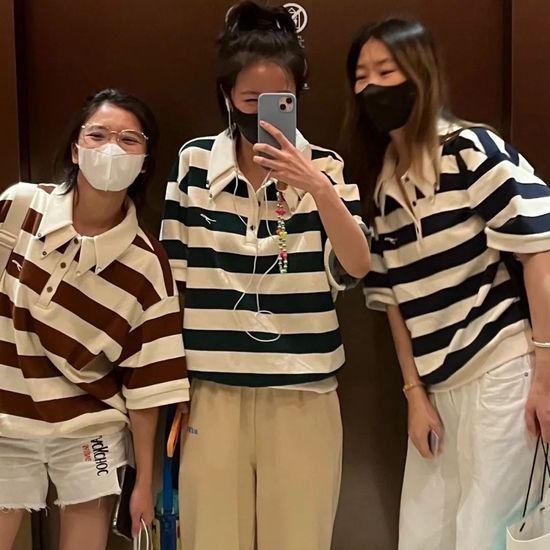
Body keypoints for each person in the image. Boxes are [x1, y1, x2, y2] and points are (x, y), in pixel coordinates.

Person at [160, 2, 371, 549]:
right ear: (227, 96)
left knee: (299, 539)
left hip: (304, 390)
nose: (263, 112)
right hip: (212, 390)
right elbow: (172, 280)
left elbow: (356, 267)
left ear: (298, 96)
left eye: (280, 100)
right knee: (211, 539)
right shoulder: (193, 164)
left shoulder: (326, 168)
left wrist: (316, 186)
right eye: (250, 100)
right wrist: (172, 384)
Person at [346, 18, 550, 550]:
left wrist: (545, 377)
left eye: (386, 70)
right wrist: (414, 394)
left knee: (488, 535)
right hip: (438, 389)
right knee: (422, 536)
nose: (372, 86)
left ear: (420, 73)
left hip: (502, 372)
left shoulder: (469, 148)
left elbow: (539, 250)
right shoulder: (381, 186)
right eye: (361, 76)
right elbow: (392, 302)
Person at [0, 89, 189, 550]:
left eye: (129, 140)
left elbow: (147, 385)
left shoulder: (149, 265)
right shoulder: (21, 206)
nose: (111, 149)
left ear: (143, 163)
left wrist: (145, 482)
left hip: (89, 426)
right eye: (98, 135)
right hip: (7, 417)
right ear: (75, 149)